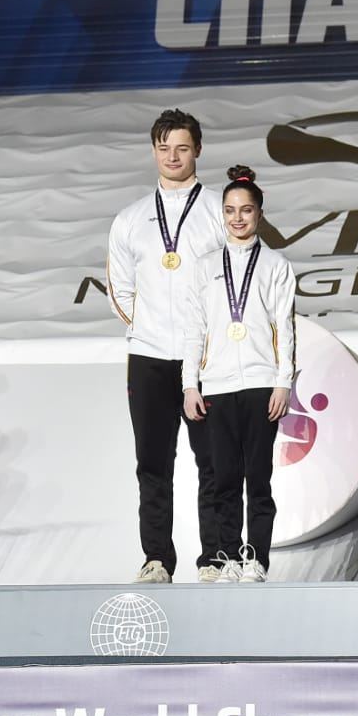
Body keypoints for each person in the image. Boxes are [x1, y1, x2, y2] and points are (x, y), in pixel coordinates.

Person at [107, 109, 227, 583]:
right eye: (163, 148)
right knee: (152, 464)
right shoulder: (130, 219)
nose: (172, 157)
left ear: (197, 149)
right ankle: (157, 558)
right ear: (153, 151)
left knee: (214, 464)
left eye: (181, 147)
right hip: (150, 357)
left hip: (208, 358)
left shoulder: (222, 210)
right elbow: (120, 288)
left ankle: (215, 556)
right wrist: (153, 330)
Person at [181, 165, 297, 583]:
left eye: (246, 210)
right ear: (222, 214)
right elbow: (194, 329)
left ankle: (257, 559)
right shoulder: (203, 266)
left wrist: (284, 381)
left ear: (259, 214)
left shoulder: (275, 266)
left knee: (258, 479)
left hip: (261, 384)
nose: (237, 218)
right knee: (223, 478)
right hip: (216, 385)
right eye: (230, 210)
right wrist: (189, 384)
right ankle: (227, 556)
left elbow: (285, 327)